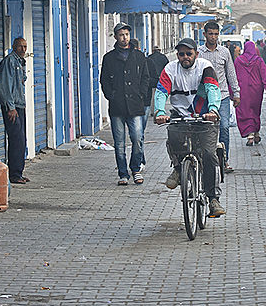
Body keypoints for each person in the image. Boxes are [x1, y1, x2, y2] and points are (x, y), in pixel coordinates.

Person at [154, 38, 225, 217]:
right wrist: (159, 112)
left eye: (189, 54)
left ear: (196, 54)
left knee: (209, 155)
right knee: (174, 138)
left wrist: (214, 110)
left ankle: (213, 198)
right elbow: (161, 91)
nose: (185, 57)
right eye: (181, 54)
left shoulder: (205, 67)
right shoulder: (170, 69)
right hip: (181, 115)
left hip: (205, 115)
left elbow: (212, 89)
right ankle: (178, 169)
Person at [100, 22, 151, 186]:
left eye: (127, 34)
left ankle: (135, 168)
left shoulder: (139, 56)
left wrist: (141, 94)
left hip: (135, 105)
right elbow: (104, 80)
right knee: (119, 143)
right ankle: (123, 173)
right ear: (115, 37)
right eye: (121, 35)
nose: (124, 38)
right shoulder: (109, 58)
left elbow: (145, 78)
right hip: (117, 106)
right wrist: (111, 95)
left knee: (137, 138)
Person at [198, 21, 240, 174]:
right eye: (211, 34)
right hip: (203, 97)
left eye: (216, 34)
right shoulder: (198, 53)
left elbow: (231, 73)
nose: (213, 37)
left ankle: (224, 159)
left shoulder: (224, 52)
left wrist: (236, 93)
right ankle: (204, 159)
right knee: (203, 127)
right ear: (205, 35)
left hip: (222, 96)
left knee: (224, 127)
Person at [0, 37, 29, 184]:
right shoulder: (9, 61)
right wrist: (10, 108)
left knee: (21, 139)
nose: (23, 49)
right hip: (12, 107)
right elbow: (5, 85)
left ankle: (18, 172)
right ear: (14, 47)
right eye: (20, 47)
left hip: (19, 105)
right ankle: (15, 174)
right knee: (16, 139)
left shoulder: (19, 62)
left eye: (25, 47)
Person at [234, 41, 266, 146]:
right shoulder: (259, 61)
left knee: (245, 111)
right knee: (255, 111)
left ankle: (250, 135)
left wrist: (233, 93)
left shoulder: (238, 61)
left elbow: (233, 78)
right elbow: (265, 77)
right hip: (257, 90)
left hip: (243, 89)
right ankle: (256, 133)